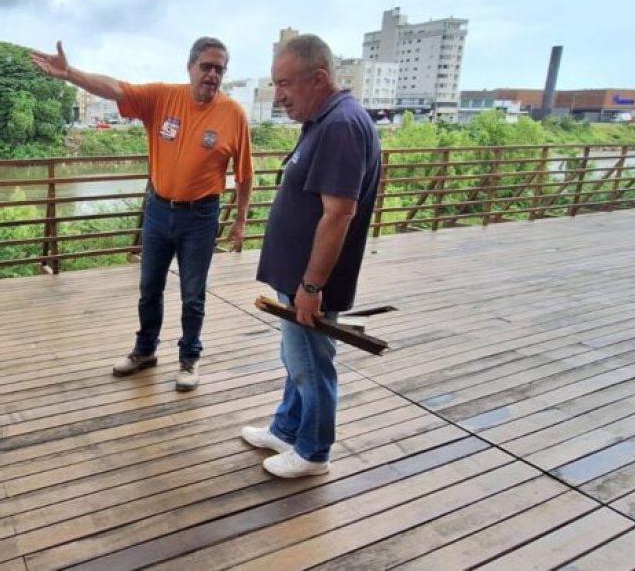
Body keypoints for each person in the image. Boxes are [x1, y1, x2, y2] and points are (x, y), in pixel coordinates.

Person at [31, 37, 253, 391]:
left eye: (219, 69)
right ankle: (145, 350)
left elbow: (244, 175)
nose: (212, 74)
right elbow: (115, 88)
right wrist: (69, 73)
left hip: (201, 216)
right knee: (149, 288)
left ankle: (189, 358)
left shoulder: (233, 114)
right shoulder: (162, 97)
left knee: (193, 294)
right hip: (159, 210)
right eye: (206, 66)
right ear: (190, 66)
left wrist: (240, 220)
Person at [242, 35, 380, 477]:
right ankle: (287, 428)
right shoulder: (325, 119)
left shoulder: (341, 125)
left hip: (311, 281)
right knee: (296, 356)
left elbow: (339, 215)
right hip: (299, 277)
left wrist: (311, 287)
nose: (278, 95)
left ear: (318, 79)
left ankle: (314, 451)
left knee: (311, 363)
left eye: (285, 84)